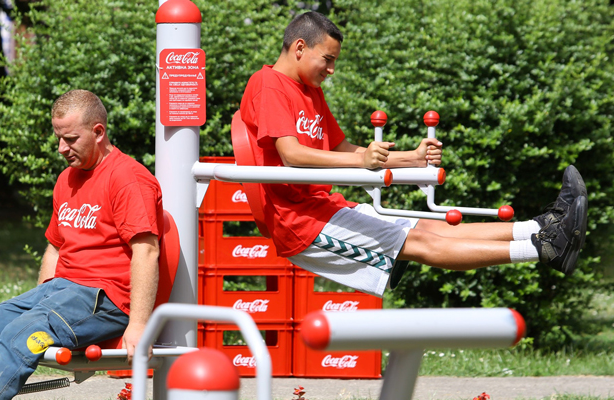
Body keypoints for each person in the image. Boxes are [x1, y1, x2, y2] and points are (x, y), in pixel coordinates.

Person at [239, 11, 588, 297]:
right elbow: (292, 155)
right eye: (327, 60)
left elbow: (344, 150)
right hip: (298, 224)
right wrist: (361, 161)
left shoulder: (309, 91)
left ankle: (541, 228)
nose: (331, 70)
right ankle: (544, 248)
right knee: (420, 241)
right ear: (299, 47)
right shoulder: (269, 84)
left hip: (323, 207)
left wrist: (411, 157)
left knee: (429, 226)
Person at [0, 89, 162, 399]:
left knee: (19, 337)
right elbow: (55, 247)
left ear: (98, 131)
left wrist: (139, 325)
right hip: (61, 291)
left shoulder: (128, 178)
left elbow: (147, 250)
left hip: (105, 300)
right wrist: (39, 298)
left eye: (71, 139)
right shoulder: (67, 179)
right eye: (58, 137)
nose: (62, 148)